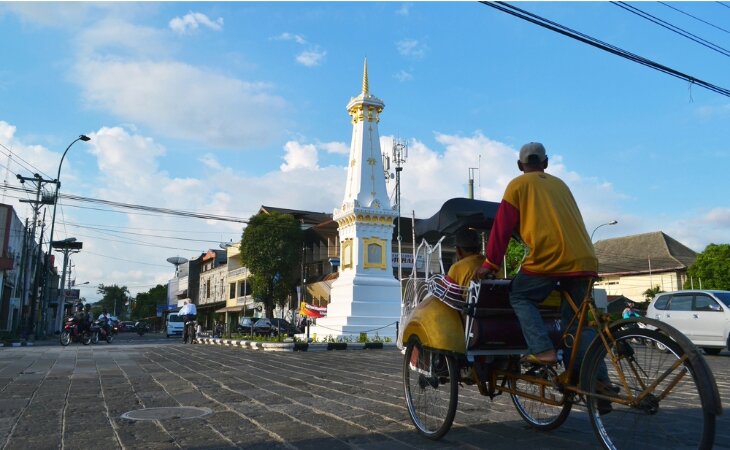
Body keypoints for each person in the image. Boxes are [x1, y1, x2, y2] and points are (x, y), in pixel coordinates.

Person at [474, 142, 615, 412]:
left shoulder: (518, 185)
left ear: (520, 165)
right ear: (546, 163)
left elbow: (502, 228)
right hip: (584, 258)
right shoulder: (561, 185)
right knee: (579, 324)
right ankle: (597, 383)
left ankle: (542, 350)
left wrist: (490, 263)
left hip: (550, 258)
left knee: (521, 295)